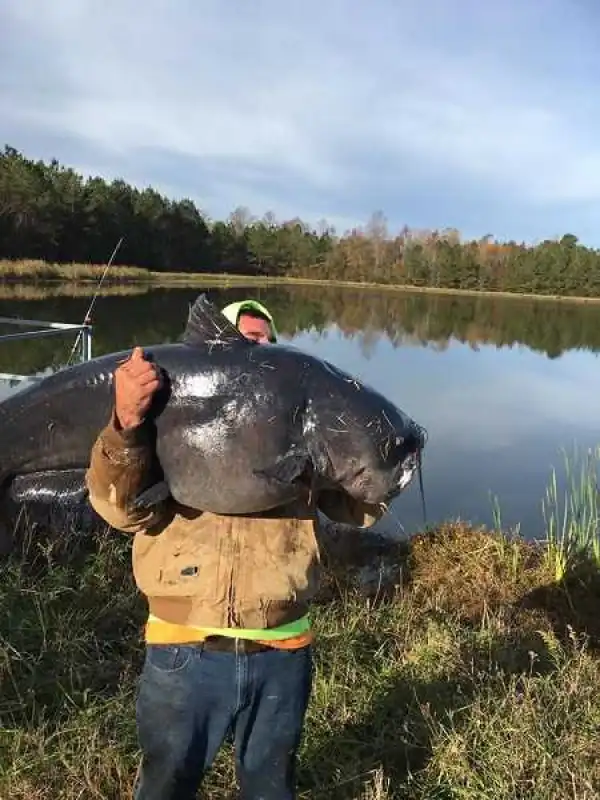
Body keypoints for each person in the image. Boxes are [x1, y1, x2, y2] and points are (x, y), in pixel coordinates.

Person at [85, 298, 381, 800]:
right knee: (165, 787)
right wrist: (126, 423)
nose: (254, 347)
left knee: (270, 788)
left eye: (265, 340)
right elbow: (119, 510)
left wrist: (371, 449)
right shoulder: (165, 416)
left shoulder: (305, 427)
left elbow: (361, 508)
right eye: (242, 337)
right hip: (183, 648)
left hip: (282, 651)